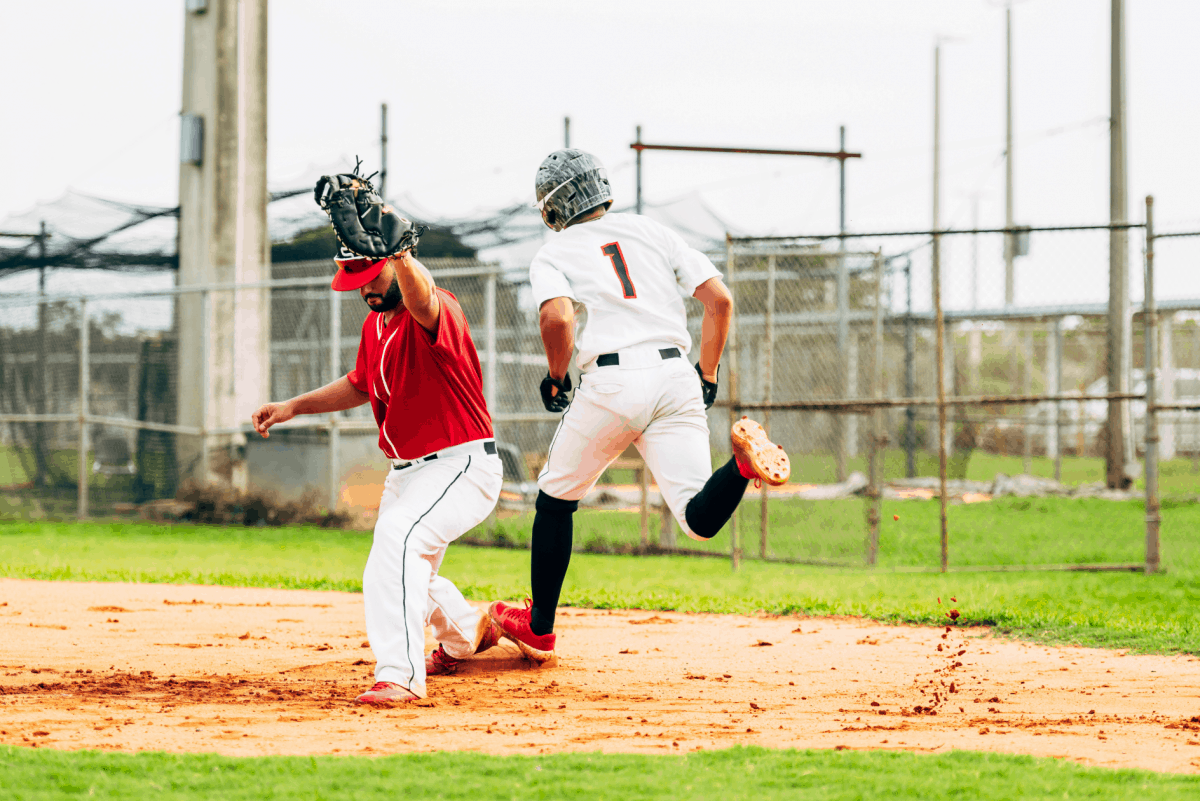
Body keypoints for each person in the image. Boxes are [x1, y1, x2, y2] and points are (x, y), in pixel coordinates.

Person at [488, 149, 790, 663]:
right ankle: (741, 467)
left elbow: (558, 318)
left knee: (556, 499)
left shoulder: (554, 251)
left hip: (612, 382)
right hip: (676, 375)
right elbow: (719, 301)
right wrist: (708, 374)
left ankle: (539, 628)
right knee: (697, 519)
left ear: (552, 206)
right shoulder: (651, 230)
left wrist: (557, 376)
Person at [251, 244, 504, 705]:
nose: (366, 289)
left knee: (397, 538)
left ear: (397, 263)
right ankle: (468, 631)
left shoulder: (435, 309)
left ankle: (400, 676)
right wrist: (294, 406)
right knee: (391, 567)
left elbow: (422, 297)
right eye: (357, 281)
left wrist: (401, 255)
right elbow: (361, 383)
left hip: (459, 463)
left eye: (373, 275)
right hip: (405, 472)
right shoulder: (376, 325)